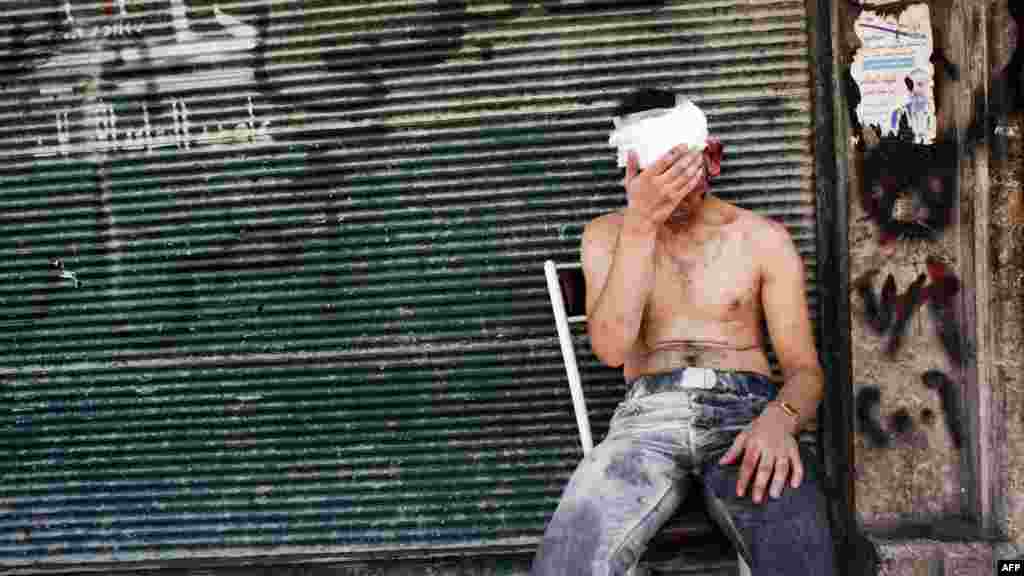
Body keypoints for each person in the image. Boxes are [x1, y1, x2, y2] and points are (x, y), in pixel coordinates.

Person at [531, 88, 835, 576]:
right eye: (656, 180)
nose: (669, 196)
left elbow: (806, 371)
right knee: (564, 564)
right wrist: (640, 225)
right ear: (631, 174)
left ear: (712, 159)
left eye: (681, 177)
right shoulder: (608, 235)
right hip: (644, 421)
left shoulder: (762, 238)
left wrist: (780, 419)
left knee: (803, 561)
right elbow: (610, 350)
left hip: (747, 414)